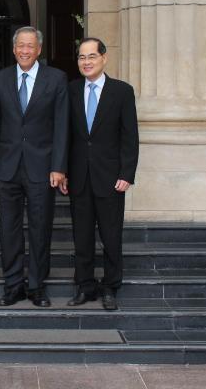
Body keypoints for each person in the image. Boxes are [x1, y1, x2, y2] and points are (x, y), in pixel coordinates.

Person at [0, 26, 69, 308]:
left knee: (40, 228)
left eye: (30, 46)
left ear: (39, 50)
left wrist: (59, 166)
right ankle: (13, 286)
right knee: (8, 229)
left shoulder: (56, 79)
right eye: (20, 45)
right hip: (8, 166)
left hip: (42, 167)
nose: (24, 50)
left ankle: (36, 286)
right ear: (14, 49)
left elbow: (61, 126)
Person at [62, 37, 139, 311]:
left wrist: (127, 173)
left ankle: (110, 287)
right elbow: (65, 135)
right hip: (79, 177)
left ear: (104, 58)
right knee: (81, 237)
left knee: (110, 236)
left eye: (91, 56)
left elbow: (130, 136)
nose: (86, 62)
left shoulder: (122, 91)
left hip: (111, 178)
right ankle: (84, 286)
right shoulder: (70, 91)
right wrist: (63, 171)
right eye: (82, 57)